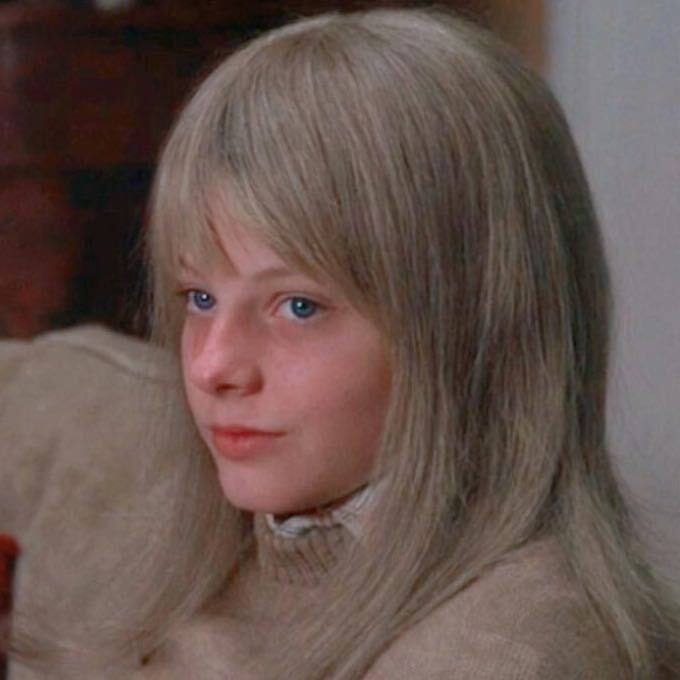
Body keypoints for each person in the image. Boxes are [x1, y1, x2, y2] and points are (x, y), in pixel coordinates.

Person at [2, 7, 679, 679]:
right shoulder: (217, 523)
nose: (212, 366)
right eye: (199, 298)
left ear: (473, 327)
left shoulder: (509, 654)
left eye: (299, 307)